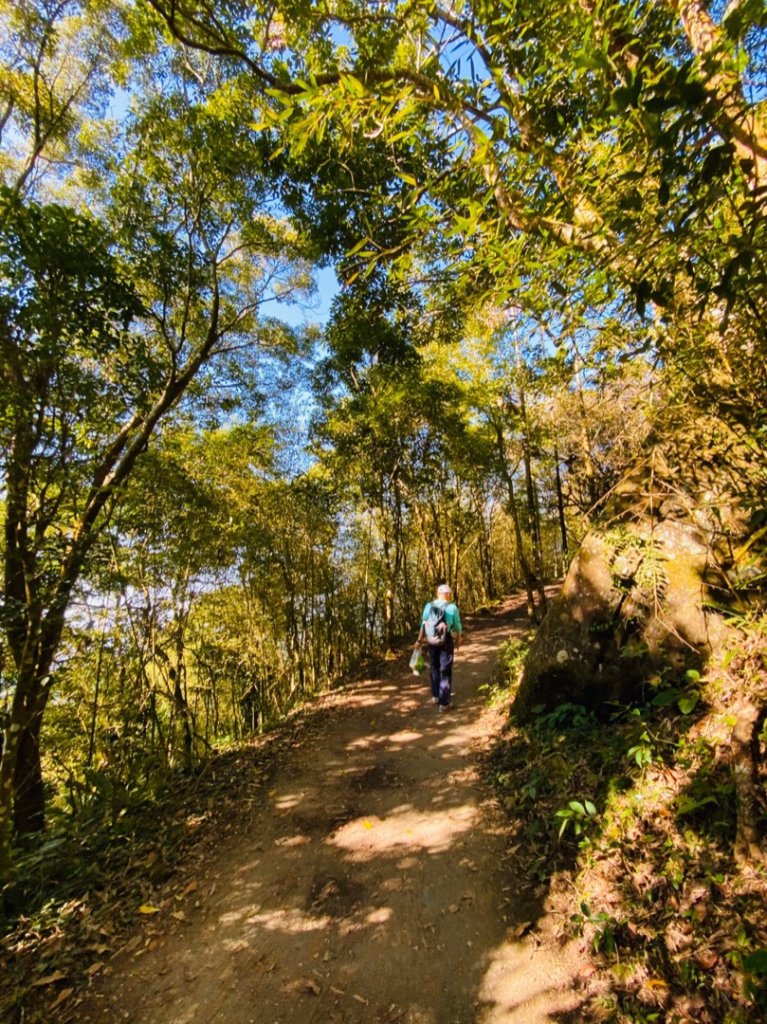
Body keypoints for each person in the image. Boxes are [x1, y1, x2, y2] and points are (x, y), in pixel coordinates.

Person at [416, 583, 462, 711]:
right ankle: (444, 703)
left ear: (438, 594)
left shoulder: (429, 606)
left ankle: (436, 696)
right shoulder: (452, 607)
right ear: (447, 595)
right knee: (445, 670)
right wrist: (458, 639)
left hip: (431, 640)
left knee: (434, 667)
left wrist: (419, 640)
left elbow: (423, 624)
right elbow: (457, 625)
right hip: (445, 640)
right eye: (449, 594)